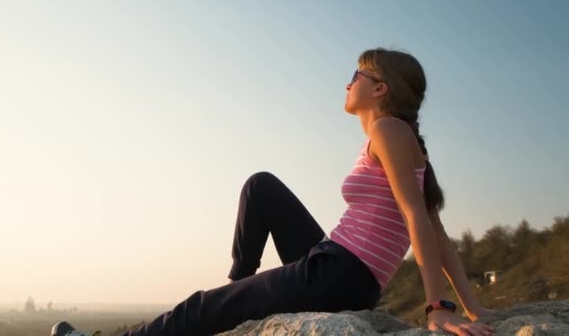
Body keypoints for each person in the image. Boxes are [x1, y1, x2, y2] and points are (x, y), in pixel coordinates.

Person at [53, 48, 495, 336]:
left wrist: (439, 307)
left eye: (355, 74)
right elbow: (437, 231)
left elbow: (420, 220)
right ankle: (241, 287)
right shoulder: (400, 139)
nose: (347, 82)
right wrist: (474, 310)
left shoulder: (387, 129)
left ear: (380, 88)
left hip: (338, 273)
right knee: (260, 187)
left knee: (202, 308)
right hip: (335, 264)